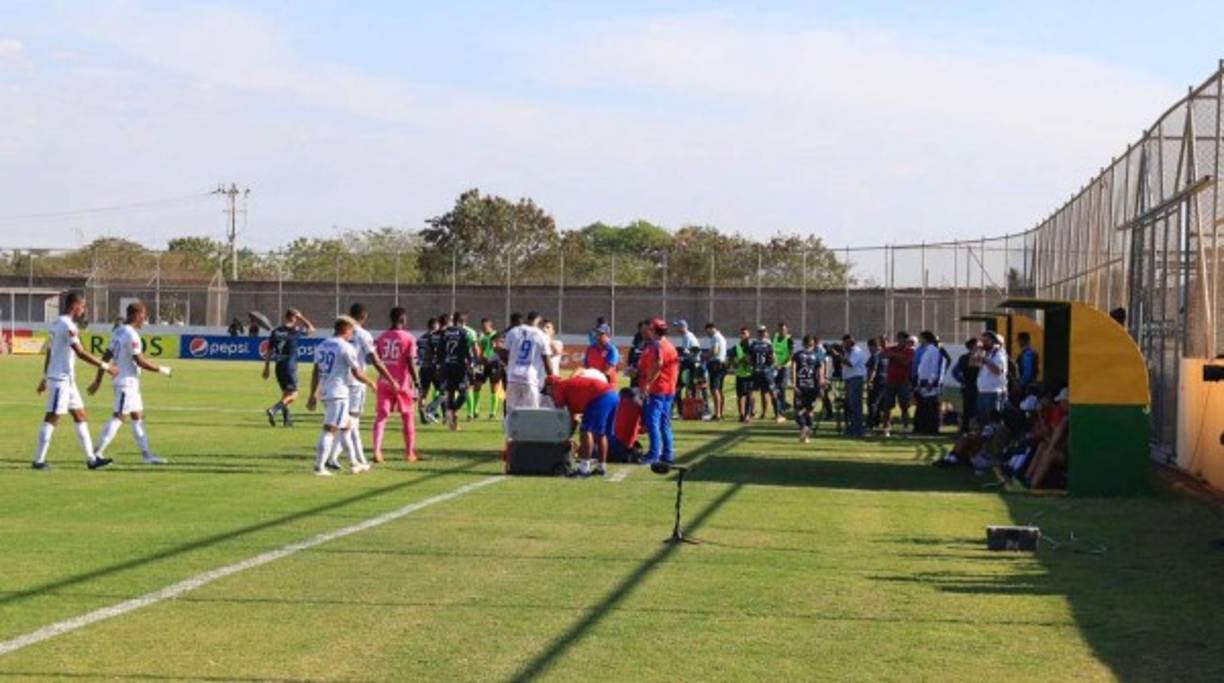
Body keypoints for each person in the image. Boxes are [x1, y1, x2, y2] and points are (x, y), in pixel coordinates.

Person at [32, 292, 117, 470]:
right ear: (74, 306)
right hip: (60, 381)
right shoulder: (67, 325)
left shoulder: (57, 323)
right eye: (83, 306)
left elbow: (50, 352)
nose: (84, 310)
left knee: (80, 415)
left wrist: (44, 376)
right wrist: (106, 366)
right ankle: (38, 461)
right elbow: (80, 352)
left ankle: (91, 460)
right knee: (52, 418)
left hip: (67, 381)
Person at [85, 300, 171, 465]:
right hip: (126, 383)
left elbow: (106, 356)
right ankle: (95, 453)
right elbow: (139, 361)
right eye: (143, 316)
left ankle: (147, 456)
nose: (144, 320)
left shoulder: (119, 331)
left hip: (128, 382)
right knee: (118, 417)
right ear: (136, 315)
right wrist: (161, 369)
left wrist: (98, 380)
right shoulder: (131, 334)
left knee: (137, 417)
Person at [307, 316, 381, 476]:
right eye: (351, 332)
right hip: (338, 393)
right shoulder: (345, 348)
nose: (352, 335)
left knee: (347, 427)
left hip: (326, 391)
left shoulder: (322, 345)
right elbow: (357, 372)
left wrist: (313, 394)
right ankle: (319, 467)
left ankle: (354, 463)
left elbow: (316, 372)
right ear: (345, 330)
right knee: (330, 429)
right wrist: (371, 383)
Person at [327, 303, 396, 468]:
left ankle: (349, 458)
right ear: (364, 317)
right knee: (352, 422)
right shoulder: (364, 335)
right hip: (357, 382)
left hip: (340, 381)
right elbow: (375, 359)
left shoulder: (341, 333)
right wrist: (390, 379)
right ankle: (345, 459)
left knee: (346, 421)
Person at [546, 372, 618, 477]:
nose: (549, 397)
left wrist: (562, 438)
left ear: (550, 386)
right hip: (612, 395)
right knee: (600, 434)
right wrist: (568, 436)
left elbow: (559, 416)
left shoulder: (558, 388)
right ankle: (601, 468)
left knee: (585, 430)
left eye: (548, 392)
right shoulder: (567, 388)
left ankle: (584, 469)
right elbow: (573, 419)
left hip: (599, 396)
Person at [373, 307, 420, 463]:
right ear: (403, 319)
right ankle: (409, 453)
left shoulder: (382, 337)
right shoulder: (408, 338)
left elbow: (377, 360)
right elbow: (411, 362)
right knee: (407, 417)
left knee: (381, 417)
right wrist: (417, 383)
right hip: (402, 384)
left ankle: (377, 450)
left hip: (384, 382)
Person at [262, 308, 315, 427]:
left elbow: (269, 351)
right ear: (294, 318)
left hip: (279, 365)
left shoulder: (275, 331)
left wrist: (266, 367)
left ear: (285, 317)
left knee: (286, 394)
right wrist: (302, 317)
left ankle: (287, 420)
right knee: (294, 394)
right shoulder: (294, 330)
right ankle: (274, 410)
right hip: (290, 366)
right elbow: (312, 330)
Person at [638, 318, 679, 465]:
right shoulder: (669, 345)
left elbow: (658, 365)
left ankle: (655, 453)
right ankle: (667, 453)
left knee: (653, 422)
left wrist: (648, 384)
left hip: (659, 389)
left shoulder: (658, 346)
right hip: (669, 389)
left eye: (649, 328)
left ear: (653, 330)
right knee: (664, 422)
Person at [503, 311, 554, 428]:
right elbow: (547, 360)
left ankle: (510, 441)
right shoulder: (541, 335)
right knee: (531, 413)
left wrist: (510, 364)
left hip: (512, 377)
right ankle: (528, 440)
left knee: (511, 413)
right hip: (530, 379)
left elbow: (505, 354)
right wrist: (552, 378)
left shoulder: (513, 331)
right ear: (538, 321)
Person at [439, 311, 476, 431]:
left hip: (446, 366)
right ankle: (453, 412)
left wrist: (441, 364)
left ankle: (452, 421)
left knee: (450, 394)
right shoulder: (464, 332)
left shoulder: (445, 333)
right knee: (464, 394)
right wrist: (472, 363)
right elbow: (468, 350)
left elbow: (440, 350)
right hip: (459, 367)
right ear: (461, 322)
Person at [878, 331, 915, 437]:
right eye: (900, 339)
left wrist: (894, 355)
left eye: (903, 339)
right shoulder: (893, 348)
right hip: (891, 381)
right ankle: (886, 429)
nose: (901, 341)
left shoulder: (910, 351)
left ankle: (905, 429)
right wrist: (887, 349)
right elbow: (882, 354)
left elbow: (906, 362)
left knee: (904, 406)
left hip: (903, 382)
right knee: (887, 407)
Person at [792, 335, 827, 443]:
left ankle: (804, 428)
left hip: (800, 386)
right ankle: (807, 435)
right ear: (813, 344)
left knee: (798, 411)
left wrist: (793, 384)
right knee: (810, 411)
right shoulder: (817, 356)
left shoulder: (797, 355)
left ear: (803, 343)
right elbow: (821, 372)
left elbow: (793, 369)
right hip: (812, 387)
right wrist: (821, 384)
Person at [913, 331, 947, 435]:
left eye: (921, 338)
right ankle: (925, 428)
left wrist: (931, 381)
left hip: (929, 383)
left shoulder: (934, 351)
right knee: (925, 407)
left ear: (925, 339)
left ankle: (932, 429)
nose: (919, 340)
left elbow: (934, 368)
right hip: (924, 382)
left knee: (931, 407)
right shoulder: (927, 351)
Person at [748, 325, 782, 422]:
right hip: (766, 372)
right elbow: (773, 359)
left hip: (756, 371)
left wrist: (753, 366)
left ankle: (748, 415)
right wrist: (775, 366)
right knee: (772, 393)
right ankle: (777, 415)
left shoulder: (753, 344)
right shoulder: (768, 345)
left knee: (751, 392)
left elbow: (749, 359)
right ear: (765, 333)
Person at [975, 331, 1009, 424]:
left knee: (993, 419)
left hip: (993, 391)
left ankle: (995, 437)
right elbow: (972, 363)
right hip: (983, 391)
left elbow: (998, 371)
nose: (983, 343)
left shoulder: (999, 355)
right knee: (983, 420)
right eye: (983, 340)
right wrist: (977, 348)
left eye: (986, 340)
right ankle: (985, 436)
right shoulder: (988, 354)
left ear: (994, 342)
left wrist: (985, 361)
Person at [472, 318, 502, 420]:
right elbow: (477, 348)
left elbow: (499, 349)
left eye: (486, 326)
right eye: (482, 326)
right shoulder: (481, 336)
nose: (484, 328)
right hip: (481, 363)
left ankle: (493, 412)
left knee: (494, 387)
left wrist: (492, 357)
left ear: (490, 325)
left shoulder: (497, 335)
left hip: (494, 363)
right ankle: (475, 410)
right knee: (477, 385)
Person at [840, 334, 868, 437]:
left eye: (844, 343)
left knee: (855, 405)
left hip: (855, 379)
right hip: (850, 379)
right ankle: (853, 427)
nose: (843, 345)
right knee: (851, 405)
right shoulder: (849, 352)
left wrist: (838, 356)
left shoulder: (856, 351)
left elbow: (850, 363)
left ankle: (858, 429)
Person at [417, 316, 443, 424]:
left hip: (423, 368)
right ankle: (432, 409)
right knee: (444, 391)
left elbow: (418, 352)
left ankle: (423, 415)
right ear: (436, 326)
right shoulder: (435, 337)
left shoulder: (421, 338)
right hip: (434, 368)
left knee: (423, 393)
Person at [951, 338, 980, 434]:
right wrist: (963, 381)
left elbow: (955, 372)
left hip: (969, 385)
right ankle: (969, 429)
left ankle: (967, 429)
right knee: (971, 409)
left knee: (969, 409)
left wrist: (962, 381)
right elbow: (955, 372)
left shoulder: (964, 357)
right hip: (972, 385)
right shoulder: (967, 358)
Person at [729, 327, 754, 421]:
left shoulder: (752, 346)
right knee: (740, 396)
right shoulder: (737, 347)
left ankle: (748, 414)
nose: (743, 335)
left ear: (749, 334)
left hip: (750, 374)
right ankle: (741, 415)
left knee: (749, 395)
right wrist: (734, 363)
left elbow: (752, 360)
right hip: (740, 374)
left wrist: (747, 360)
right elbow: (731, 359)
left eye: (744, 333)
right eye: (741, 333)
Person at [703, 322, 727, 420]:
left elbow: (715, 351)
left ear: (711, 328)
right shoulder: (721, 337)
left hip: (716, 365)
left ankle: (717, 415)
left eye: (707, 331)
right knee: (719, 390)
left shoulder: (715, 338)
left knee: (715, 389)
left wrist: (704, 355)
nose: (707, 334)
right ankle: (720, 413)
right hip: (721, 364)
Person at [773, 322, 795, 413]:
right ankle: (783, 405)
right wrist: (775, 363)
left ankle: (782, 408)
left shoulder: (789, 339)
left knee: (782, 387)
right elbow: (772, 351)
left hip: (784, 367)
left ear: (787, 330)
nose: (782, 331)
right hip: (775, 366)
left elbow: (790, 355)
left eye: (784, 330)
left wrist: (781, 365)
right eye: (780, 329)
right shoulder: (775, 337)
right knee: (775, 388)